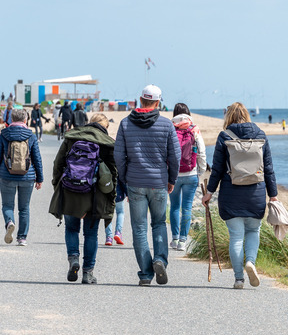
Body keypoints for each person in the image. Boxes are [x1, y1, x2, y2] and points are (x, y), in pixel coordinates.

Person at [202, 102, 278, 289]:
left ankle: (238, 279)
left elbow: (217, 169)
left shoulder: (224, 136)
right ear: (246, 115)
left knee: (236, 236)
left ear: (228, 116)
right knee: (253, 231)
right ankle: (250, 261)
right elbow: (268, 169)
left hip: (231, 193)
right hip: (256, 193)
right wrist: (273, 195)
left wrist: (209, 193)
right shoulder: (261, 135)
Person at [114, 85, 180, 286]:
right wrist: (172, 179)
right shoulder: (167, 125)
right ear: (158, 102)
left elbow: (119, 156)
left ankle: (145, 273)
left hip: (135, 181)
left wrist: (124, 178)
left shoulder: (125, 124)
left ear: (140, 100)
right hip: (159, 182)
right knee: (159, 223)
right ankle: (159, 259)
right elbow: (175, 156)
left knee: (139, 228)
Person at [49, 112, 117, 283]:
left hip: (70, 190)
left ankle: (73, 259)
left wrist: (57, 184)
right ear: (105, 126)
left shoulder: (72, 137)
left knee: (71, 228)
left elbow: (58, 163)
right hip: (95, 195)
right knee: (91, 233)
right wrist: (112, 195)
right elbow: (113, 173)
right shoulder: (107, 143)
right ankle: (88, 273)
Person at [0, 108, 43, 246]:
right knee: (24, 208)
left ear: (11, 119)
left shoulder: (4, 134)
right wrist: (39, 178)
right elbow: (37, 158)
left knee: (7, 205)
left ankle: (9, 222)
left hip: (7, 175)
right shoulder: (30, 135)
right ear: (25, 120)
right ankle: (22, 238)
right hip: (28, 176)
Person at [169, 103, 207, 251]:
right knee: (187, 208)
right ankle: (183, 241)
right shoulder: (194, 129)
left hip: (174, 175)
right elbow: (202, 152)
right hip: (191, 174)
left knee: (174, 207)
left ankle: (175, 239)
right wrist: (200, 171)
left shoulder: (170, 128)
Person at [105, 180, 127, 247]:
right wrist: (127, 193)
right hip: (118, 193)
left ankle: (109, 237)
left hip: (107, 194)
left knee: (108, 214)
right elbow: (123, 181)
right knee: (120, 212)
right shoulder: (119, 169)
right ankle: (118, 232)